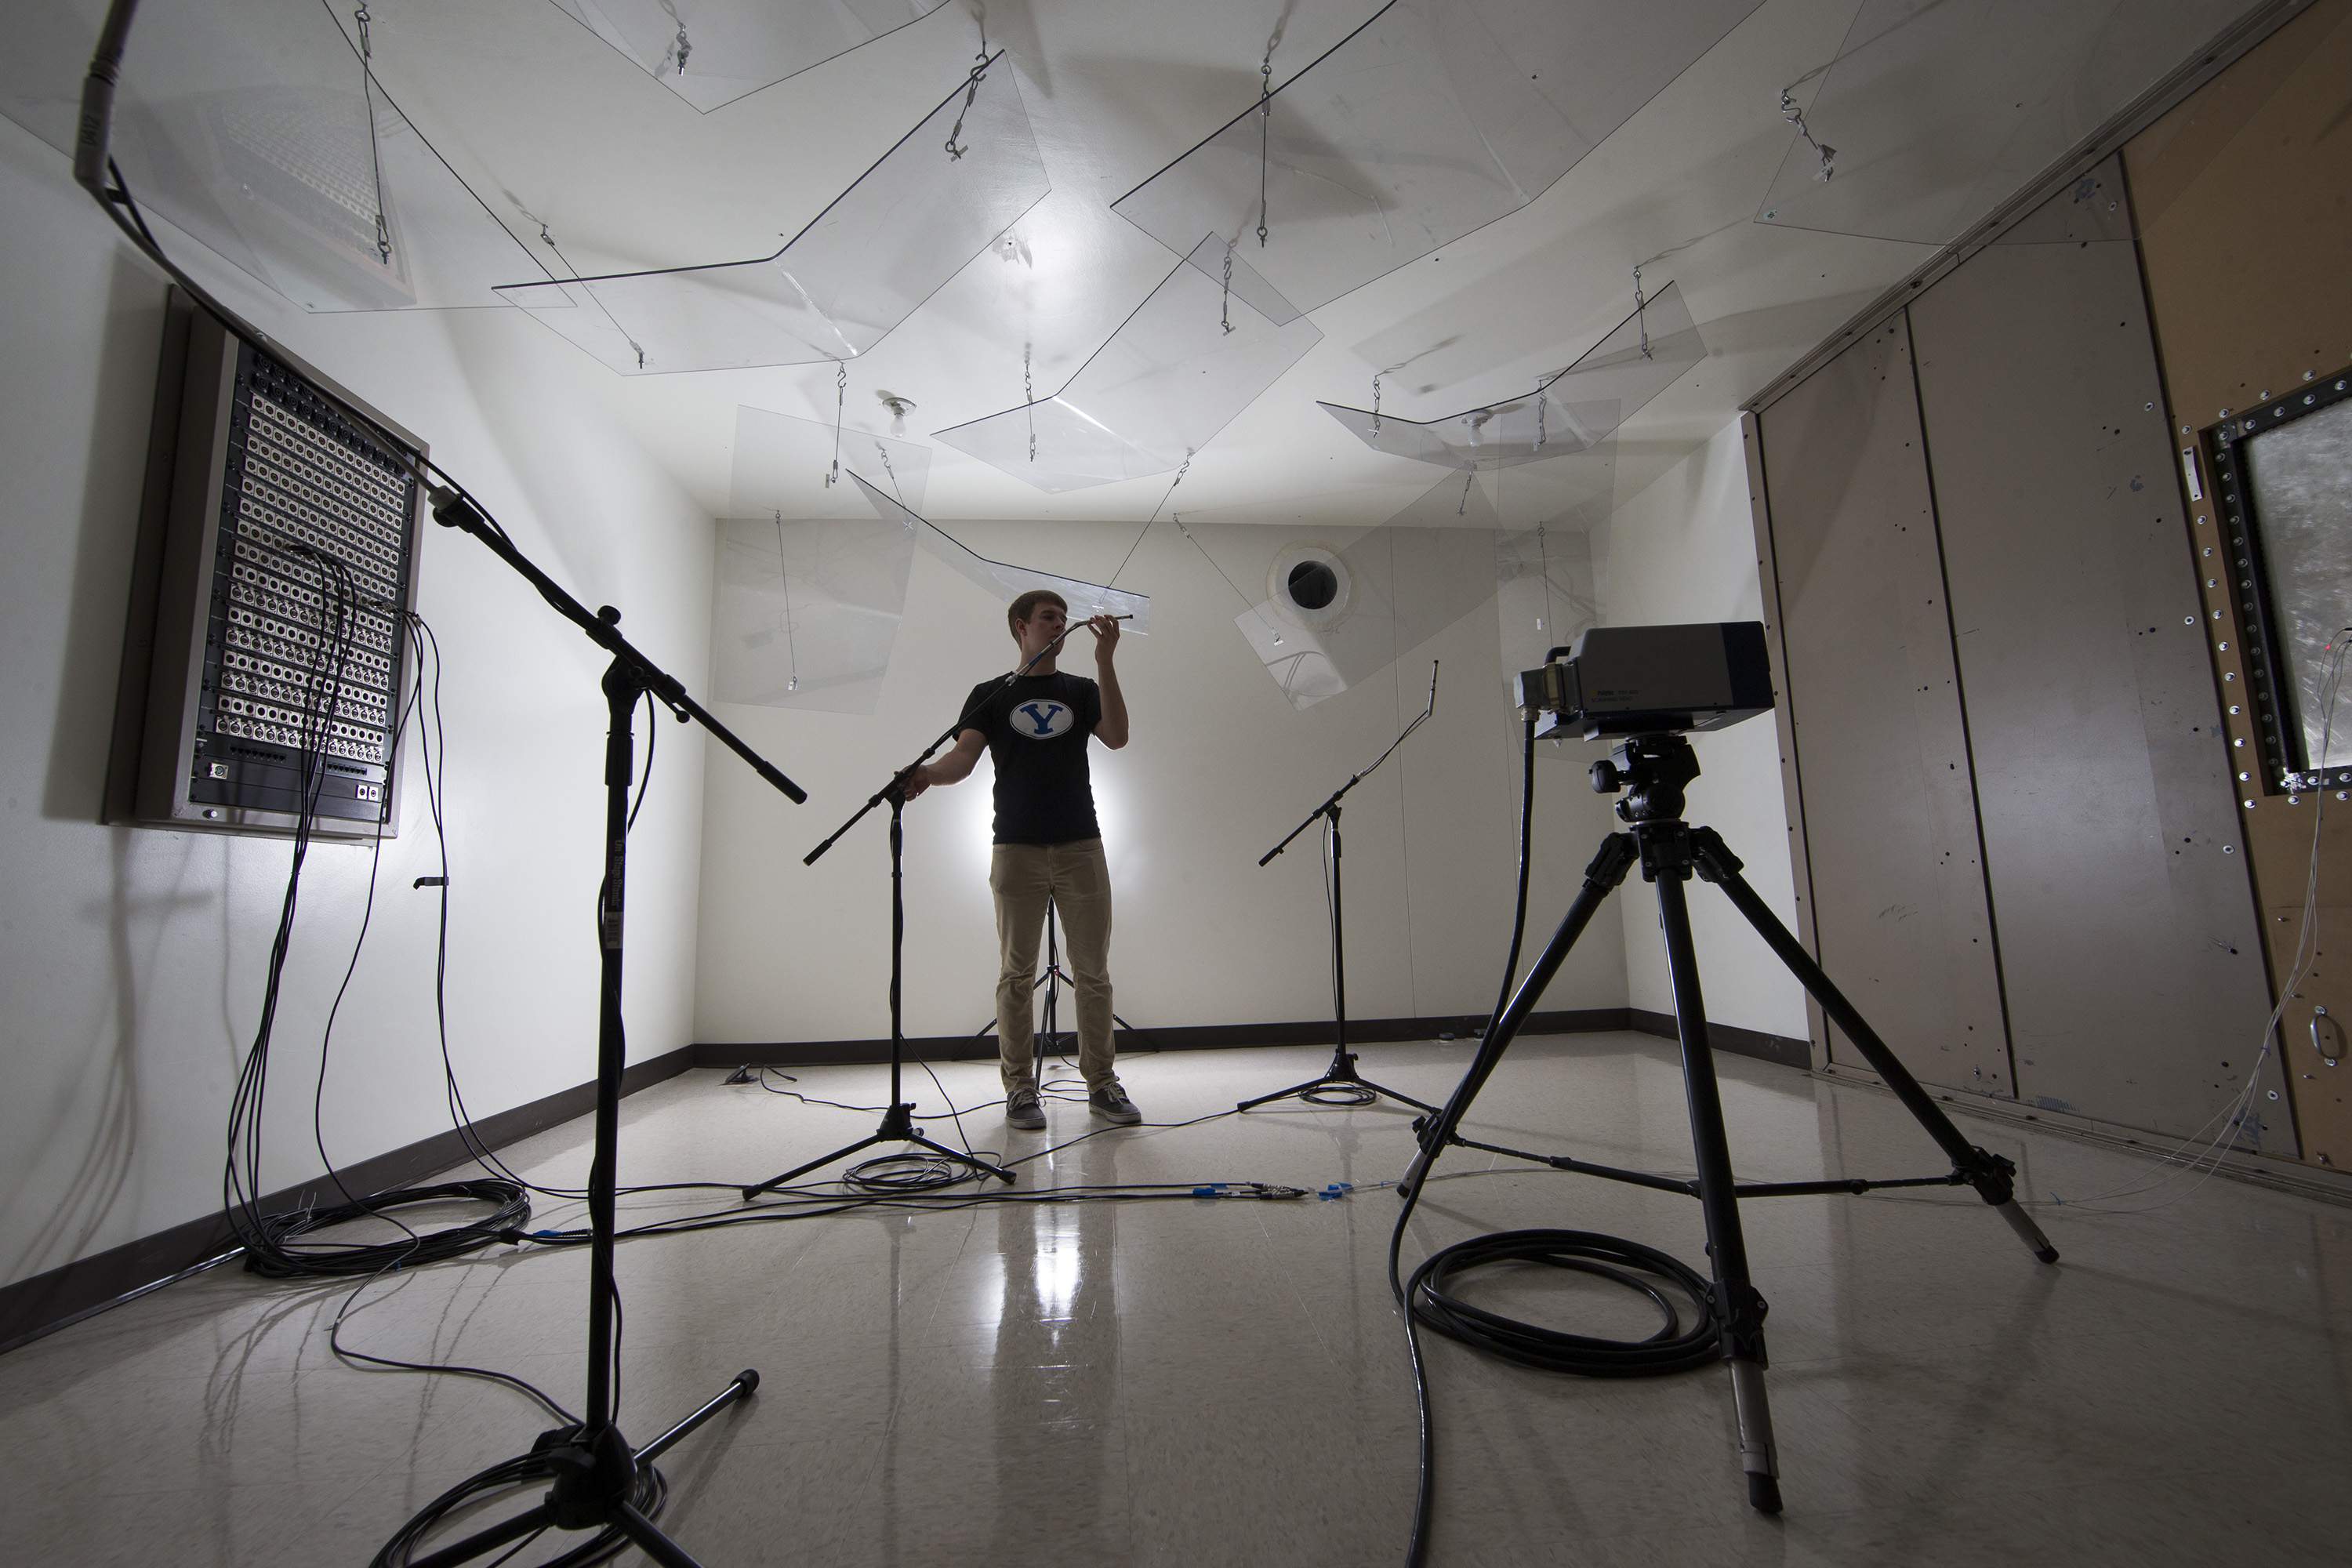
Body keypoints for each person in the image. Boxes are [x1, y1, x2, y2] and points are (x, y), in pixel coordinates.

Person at [903, 590, 1138, 1131]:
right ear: (1021, 627)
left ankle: (1102, 1084)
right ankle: (1020, 1091)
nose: (1059, 624)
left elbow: (1118, 738)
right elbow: (962, 759)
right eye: (1048, 617)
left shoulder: (1081, 689)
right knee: (1016, 975)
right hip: (1015, 848)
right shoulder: (992, 694)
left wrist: (1106, 663)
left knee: (1094, 974)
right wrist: (926, 774)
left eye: (1063, 617)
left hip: (1081, 845)